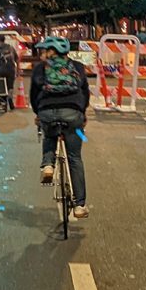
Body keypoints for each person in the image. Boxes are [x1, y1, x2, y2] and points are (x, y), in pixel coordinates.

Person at [30, 36, 90, 219]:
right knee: (75, 158)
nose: (42, 54)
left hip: (47, 113)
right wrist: (82, 113)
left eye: (44, 51)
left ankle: (48, 165)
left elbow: (33, 94)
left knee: (49, 135)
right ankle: (79, 205)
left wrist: (38, 114)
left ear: (51, 51)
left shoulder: (41, 68)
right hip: (73, 115)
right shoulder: (77, 67)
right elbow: (85, 92)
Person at [0, 37, 19, 109]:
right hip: (11, 69)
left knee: (2, 86)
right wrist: (17, 70)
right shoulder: (11, 48)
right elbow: (17, 59)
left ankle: (3, 101)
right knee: (10, 86)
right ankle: (10, 100)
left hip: (1, 70)